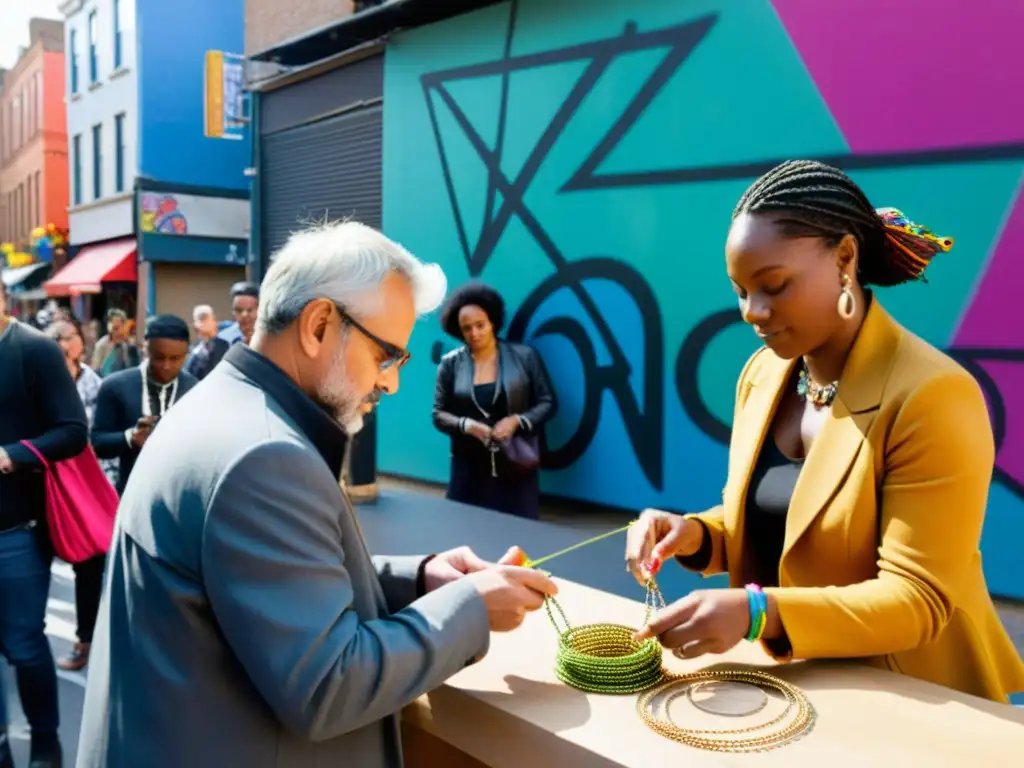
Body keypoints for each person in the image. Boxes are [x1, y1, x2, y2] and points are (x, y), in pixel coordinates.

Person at [76, 221, 557, 768]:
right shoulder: (263, 454)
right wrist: (469, 606)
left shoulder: (225, 407)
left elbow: (267, 579)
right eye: (386, 356)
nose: (392, 382)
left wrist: (418, 578)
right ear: (319, 324)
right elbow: (330, 684)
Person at [624, 160, 1024, 704]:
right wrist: (695, 535)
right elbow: (784, 521)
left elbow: (916, 599)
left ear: (844, 259)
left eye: (773, 285)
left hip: (911, 701)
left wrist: (758, 612)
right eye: (740, 290)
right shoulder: (762, 376)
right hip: (794, 688)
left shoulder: (933, 396)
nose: (751, 312)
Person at [0, 282, 88, 768]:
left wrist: (9, 456)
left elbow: (74, 432)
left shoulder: (32, 351)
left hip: (18, 531)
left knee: (25, 646)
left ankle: (46, 742)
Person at [432, 282, 557, 519]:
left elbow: (548, 402)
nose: (474, 334)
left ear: (493, 322)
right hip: (467, 470)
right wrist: (467, 426)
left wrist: (517, 421)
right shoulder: (450, 364)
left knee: (519, 538)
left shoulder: (524, 357)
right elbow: (438, 413)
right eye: (466, 328)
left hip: (516, 468)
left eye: (480, 325)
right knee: (465, 534)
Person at [47, 320, 110, 672]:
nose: (59, 343)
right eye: (53, 338)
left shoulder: (94, 383)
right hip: (51, 482)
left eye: (65, 337)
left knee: (90, 565)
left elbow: (97, 434)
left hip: (91, 482)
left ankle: (86, 641)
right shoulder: (39, 382)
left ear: (78, 344)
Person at [90, 314, 198, 495]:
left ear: (187, 353)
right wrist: (131, 437)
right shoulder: (115, 386)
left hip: (181, 498)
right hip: (130, 497)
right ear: (145, 348)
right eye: (159, 357)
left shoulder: (196, 390)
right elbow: (98, 443)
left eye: (176, 358)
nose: (166, 365)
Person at [184, 304, 229, 380]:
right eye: (201, 320)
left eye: (206, 319)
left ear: (214, 322)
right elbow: (190, 374)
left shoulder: (225, 345)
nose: (203, 324)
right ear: (195, 326)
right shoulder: (194, 352)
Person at [90, 309, 140, 376]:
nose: (119, 332)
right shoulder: (101, 345)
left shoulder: (127, 346)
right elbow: (94, 370)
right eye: (115, 328)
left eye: (121, 327)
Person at [217, 281, 259, 346]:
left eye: (249, 310)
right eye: (239, 310)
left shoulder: (270, 338)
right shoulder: (222, 339)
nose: (244, 315)